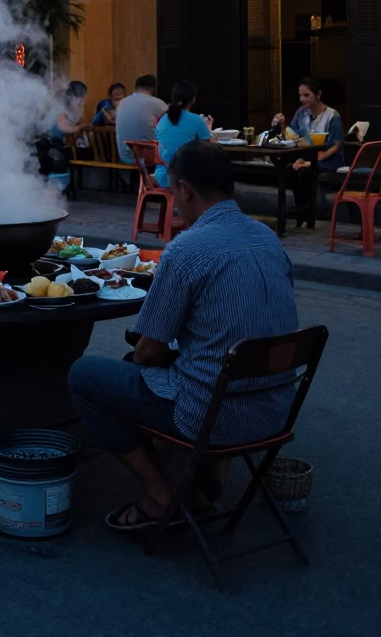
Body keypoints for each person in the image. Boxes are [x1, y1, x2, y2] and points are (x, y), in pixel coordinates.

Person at [69, 141, 299, 532]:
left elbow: (147, 352)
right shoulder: (267, 239)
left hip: (212, 418)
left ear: (185, 190)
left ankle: (160, 494)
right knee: (206, 361)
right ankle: (207, 484)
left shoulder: (186, 250)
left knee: (85, 376)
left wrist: (149, 358)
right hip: (274, 412)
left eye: (175, 191)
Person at [274, 76, 344, 222]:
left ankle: (309, 213)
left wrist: (311, 162)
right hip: (305, 157)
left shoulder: (332, 116)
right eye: (300, 96)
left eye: (307, 95)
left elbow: (336, 146)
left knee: (305, 172)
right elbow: (292, 136)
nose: (303, 99)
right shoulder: (301, 112)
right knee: (290, 171)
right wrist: (281, 125)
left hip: (328, 159)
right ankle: (301, 212)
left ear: (318, 95)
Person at [154, 81, 212, 186]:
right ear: (193, 100)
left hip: (162, 177)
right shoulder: (196, 120)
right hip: (186, 178)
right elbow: (207, 148)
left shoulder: (162, 119)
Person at [115, 74, 168, 164]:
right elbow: (174, 120)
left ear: (136, 88)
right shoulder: (156, 103)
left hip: (124, 157)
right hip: (146, 158)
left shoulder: (122, 102)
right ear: (154, 89)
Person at [44, 81, 92, 159]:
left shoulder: (74, 110)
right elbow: (63, 128)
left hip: (63, 145)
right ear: (72, 96)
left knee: (88, 152)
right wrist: (81, 127)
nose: (82, 100)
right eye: (81, 96)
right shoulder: (61, 108)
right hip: (53, 145)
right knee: (88, 154)